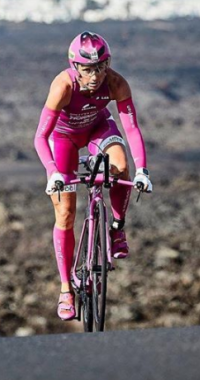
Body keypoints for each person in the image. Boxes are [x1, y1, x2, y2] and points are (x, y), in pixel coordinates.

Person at [34, 31, 153, 321]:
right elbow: (40, 136)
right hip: (62, 139)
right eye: (87, 69)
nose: (95, 75)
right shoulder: (63, 86)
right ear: (75, 67)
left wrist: (143, 171)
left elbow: (132, 129)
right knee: (65, 212)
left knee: (120, 165)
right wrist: (53, 174)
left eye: (100, 67)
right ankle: (65, 289)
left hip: (97, 129)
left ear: (108, 63)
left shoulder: (116, 82)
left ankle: (116, 227)